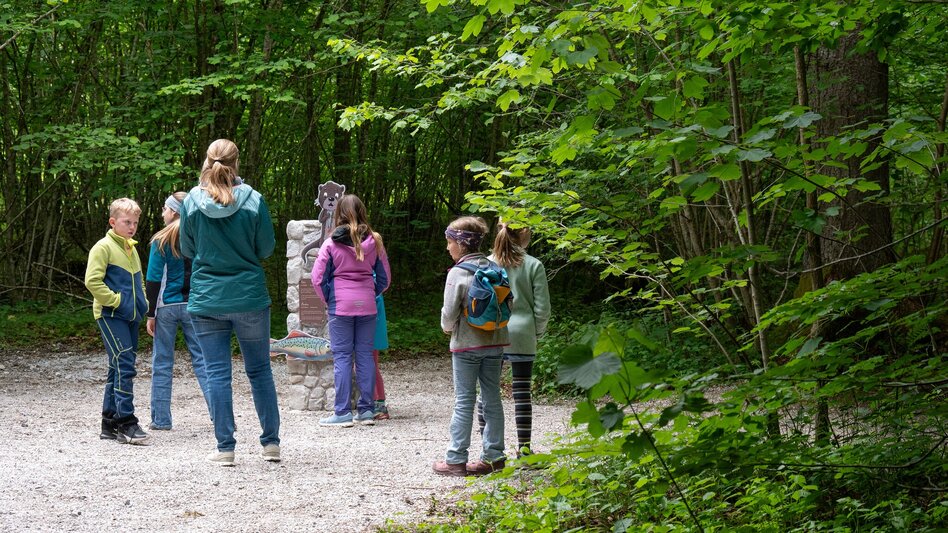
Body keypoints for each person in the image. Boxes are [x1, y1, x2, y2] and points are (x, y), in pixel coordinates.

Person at [179, 138, 280, 466]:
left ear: (207, 161)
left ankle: (225, 448)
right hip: (249, 296)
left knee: (217, 373)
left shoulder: (192, 201)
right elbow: (265, 248)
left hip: (207, 298)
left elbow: (188, 249)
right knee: (260, 370)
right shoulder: (254, 200)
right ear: (237, 163)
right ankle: (271, 444)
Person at [432, 216, 509, 477]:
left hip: (466, 345)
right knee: (492, 398)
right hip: (496, 341)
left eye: (450, 242)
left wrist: (447, 329)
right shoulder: (495, 267)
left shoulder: (458, 273)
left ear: (461, 244)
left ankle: (455, 460)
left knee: (464, 400)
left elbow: (449, 313)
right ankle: (494, 458)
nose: (447, 248)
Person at [312, 194, 391, 427]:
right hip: (367, 305)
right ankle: (366, 411)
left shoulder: (330, 243)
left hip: (340, 307)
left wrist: (329, 298)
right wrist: (370, 292)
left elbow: (317, 279)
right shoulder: (375, 241)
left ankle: (343, 412)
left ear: (339, 214)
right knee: (365, 356)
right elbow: (385, 279)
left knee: (343, 358)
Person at [480, 222, 551, 457]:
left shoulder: (487, 264)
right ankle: (525, 449)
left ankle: (488, 448)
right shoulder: (534, 265)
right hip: (523, 332)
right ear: (525, 233)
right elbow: (542, 309)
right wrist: (535, 331)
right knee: (522, 393)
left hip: (493, 331)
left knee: (487, 392)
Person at [84, 197, 150, 445]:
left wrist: (142, 303)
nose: (132, 227)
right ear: (113, 222)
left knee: (117, 365)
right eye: (126, 222)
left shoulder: (130, 247)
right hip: (111, 314)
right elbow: (92, 281)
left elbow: (139, 282)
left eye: (134, 222)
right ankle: (127, 422)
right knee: (125, 362)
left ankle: (109, 423)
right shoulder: (103, 247)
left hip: (131, 315)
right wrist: (117, 301)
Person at [145, 192, 211, 430]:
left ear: (173, 212)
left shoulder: (160, 241)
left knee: (162, 362)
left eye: (164, 208)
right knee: (204, 361)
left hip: (166, 307)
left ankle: (161, 420)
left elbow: (153, 279)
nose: (162, 213)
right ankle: (220, 416)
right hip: (195, 306)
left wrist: (150, 313)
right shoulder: (199, 237)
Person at [373, 293, 390, 420]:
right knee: (370, 366)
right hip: (369, 330)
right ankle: (376, 403)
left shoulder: (371, 281)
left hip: (370, 331)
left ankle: (379, 405)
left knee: (371, 367)